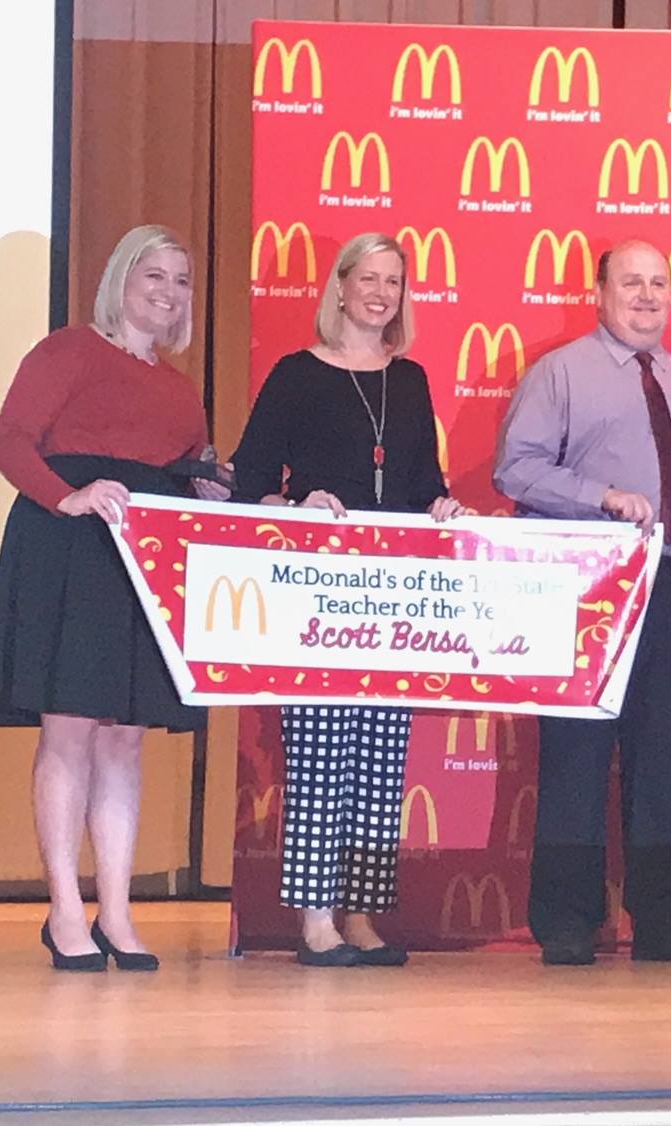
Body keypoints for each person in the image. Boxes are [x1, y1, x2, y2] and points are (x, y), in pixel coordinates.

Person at [0, 224, 226, 972]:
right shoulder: (68, 352)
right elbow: (8, 443)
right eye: (155, 275)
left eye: (181, 280)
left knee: (125, 738)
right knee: (71, 731)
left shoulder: (180, 391)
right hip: (70, 552)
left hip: (142, 565)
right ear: (121, 278)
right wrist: (70, 495)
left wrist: (207, 487)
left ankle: (115, 912)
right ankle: (64, 911)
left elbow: (185, 473)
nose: (169, 292)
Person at [232, 232, 471, 967]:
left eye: (393, 281)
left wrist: (441, 506)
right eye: (368, 278)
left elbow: (423, 481)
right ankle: (316, 921)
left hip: (393, 595)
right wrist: (296, 503)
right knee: (319, 754)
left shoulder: (412, 379)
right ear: (338, 287)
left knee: (380, 759)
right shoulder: (295, 374)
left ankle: (361, 915)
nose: (380, 293)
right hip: (317, 594)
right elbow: (249, 480)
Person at [493, 239, 671, 966]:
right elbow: (516, 469)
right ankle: (567, 920)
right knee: (577, 753)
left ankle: (659, 921)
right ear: (598, 293)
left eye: (659, 283)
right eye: (631, 282)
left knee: (660, 759)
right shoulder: (560, 373)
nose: (647, 296)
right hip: (584, 581)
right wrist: (599, 497)